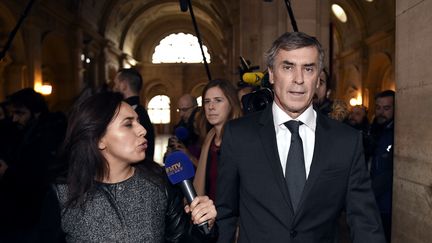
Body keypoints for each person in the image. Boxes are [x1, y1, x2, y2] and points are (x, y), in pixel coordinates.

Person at [216, 31, 385, 243]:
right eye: (288, 67)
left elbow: (365, 223)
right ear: (271, 74)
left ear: (318, 78)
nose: (299, 79)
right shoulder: (239, 135)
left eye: (308, 68)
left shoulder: (346, 141)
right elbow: (225, 214)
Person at [38, 91, 217, 242]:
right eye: (128, 124)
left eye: (138, 121)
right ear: (99, 139)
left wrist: (204, 226)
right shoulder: (62, 193)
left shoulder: (160, 183)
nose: (142, 130)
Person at [0, 88, 66, 242]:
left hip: (34, 216)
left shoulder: (47, 136)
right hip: (17, 214)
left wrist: (8, 172)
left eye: (20, 113)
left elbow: (40, 177)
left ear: (36, 113)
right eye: (13, 114)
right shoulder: (19, 131)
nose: (14, 119)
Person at [193, 79, 242, 201]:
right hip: (208, 214)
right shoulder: (209, 138)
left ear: (231, 104)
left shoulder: (241, 139)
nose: (211, 107)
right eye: (207, 101)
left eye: (218, 100)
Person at [369, 90, 395, 242]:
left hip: (386, 207)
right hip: (373, 206)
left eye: (386, 108)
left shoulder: (397, 133)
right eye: (378, 108)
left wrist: (367, 194)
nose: (381, 112)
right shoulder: (374, 130)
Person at [113, 68, 155, 161]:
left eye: (115, 84)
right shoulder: (140, 111)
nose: (114, 88)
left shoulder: (136, 114)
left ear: (123, 85)